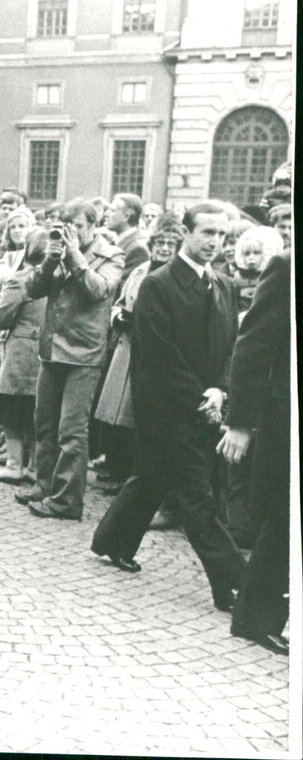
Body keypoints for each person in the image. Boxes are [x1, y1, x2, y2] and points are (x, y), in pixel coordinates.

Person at [91, 202, 246, 613]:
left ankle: (112, 540)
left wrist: (221, 389)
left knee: (152, 475)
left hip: (206, 402)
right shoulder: (158, 284)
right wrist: (203, 397)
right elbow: (159, 356)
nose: (215, 242)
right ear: (186, 233)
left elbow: (233, 346)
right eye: (207, 232)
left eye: (221, 235)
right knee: (197, 497)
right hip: (166, 408)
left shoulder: (224, 284)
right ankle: (234, 584)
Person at [14, 199, 124, 520]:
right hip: (53, 348)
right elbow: (33, 290)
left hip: (84, 353)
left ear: (93, 225)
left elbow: (98, 291)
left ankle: (67, 500)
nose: (70, 232)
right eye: (66, 226)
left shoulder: (111, 255)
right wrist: (49, 262)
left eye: (77, 226)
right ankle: (44, 486)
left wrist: (75, 256)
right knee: (45, 424)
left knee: (71, 430)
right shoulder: (58, 251)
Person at [217, 251, 290, 656]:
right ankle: (254, 618)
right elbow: (252, 348)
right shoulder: (286, 266)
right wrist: (240, 423)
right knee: (283, 520)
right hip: (286, 416)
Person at [92, 219, 183, 490]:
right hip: (126, 347)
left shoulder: (175, 276)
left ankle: (130, 473)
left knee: (136, 413)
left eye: (170, 244)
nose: (164, 248)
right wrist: (118, 316)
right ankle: (115, 465)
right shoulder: (141, 270)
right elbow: (119, 302)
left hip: (151, 352)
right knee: (115, 412)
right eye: (160, 243)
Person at [0, 228, 50, 484]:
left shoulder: (20, 279)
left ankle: (14, 465)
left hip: (21, 352)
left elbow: (1, 317)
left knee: (12, 409)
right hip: (47, 351)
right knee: (36, 411)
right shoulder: (59, 278)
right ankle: (34, 467)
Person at [103, 193, 149, 286]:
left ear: (126, 217)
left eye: (112, 210)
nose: (106, 214)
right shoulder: (115, 241)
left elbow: (123, 288)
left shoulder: (138, 250)